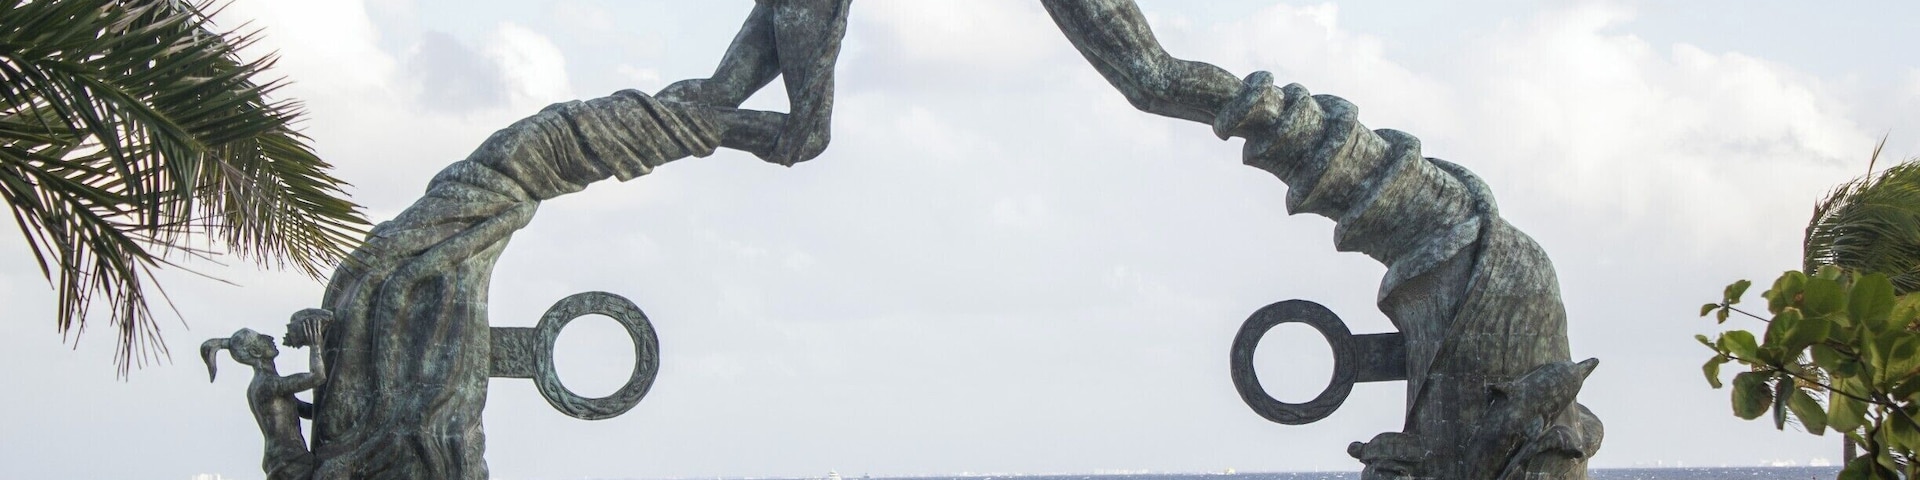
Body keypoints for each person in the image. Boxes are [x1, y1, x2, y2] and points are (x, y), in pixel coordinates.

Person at [201, 309, 331, 480]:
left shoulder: (268, 385)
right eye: (261, 338)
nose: (269, 337)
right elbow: (317, 376)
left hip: (288, 457)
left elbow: (306, 411)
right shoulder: (267, 385)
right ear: (255, 352)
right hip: (289, 461)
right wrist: (315, 344)